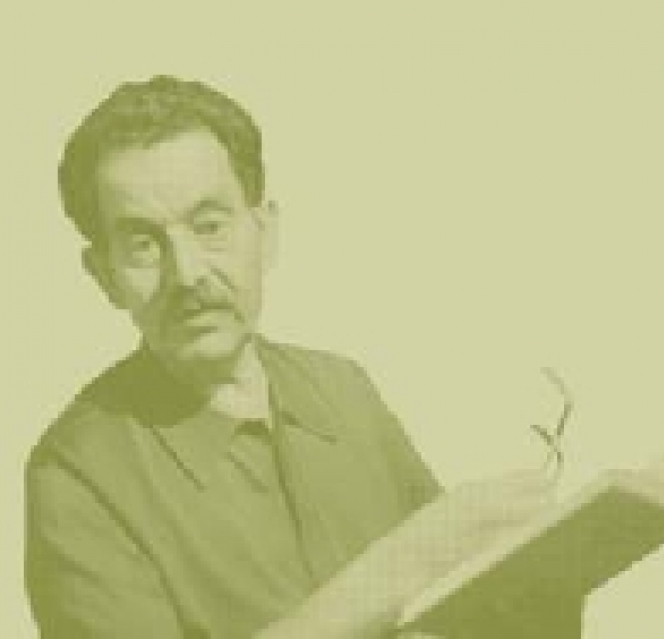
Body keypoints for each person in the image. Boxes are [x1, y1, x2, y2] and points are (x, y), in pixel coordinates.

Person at [24, 76, 583, 638]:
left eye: (210, 226)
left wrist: (547, 570)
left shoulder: (343, 389)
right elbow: (421, 559)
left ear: (265, 232)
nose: (187, 273)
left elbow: (455, 612)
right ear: (104, 276)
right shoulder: (77, 478)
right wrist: (406, 561)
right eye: (143, 244)